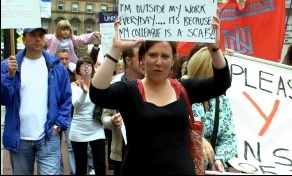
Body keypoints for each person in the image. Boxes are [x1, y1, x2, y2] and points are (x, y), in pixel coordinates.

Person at [89, 12, 231, 175]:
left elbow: (222, 83)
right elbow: (97, 94)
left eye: (165, 56)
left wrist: (214, 48)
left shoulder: (184, 88)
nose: (158, 62)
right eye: (152, 55)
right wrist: (115, 49)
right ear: (142, 58)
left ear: (173, 61)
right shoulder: (129, 90)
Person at [1, 27, 72, 175]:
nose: (38, 38)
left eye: (41, 35)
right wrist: (9, 76)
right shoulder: (9, 65)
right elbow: (3, 99)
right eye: (33, 35)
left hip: (48, 136)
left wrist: (58, 126)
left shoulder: (56, 67)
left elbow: (66, 100)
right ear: (24, 39)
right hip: (19, 138)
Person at [186, 47, 238, 172]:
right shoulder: (180, 95)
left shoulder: (223, 101)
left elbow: (229, 139)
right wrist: (198, 139)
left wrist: (219, 159)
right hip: (185, 167)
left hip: (212, 171)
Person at [101, 45, 144, 175]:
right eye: (140, 57)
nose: (145, 61)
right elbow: (105, 117)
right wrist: (112, 121)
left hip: (147, 151)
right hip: (122, 151)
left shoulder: (153, 83)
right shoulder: (115, 85)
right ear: (128, 61)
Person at [55, 49, 96, 175]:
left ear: (69, 59)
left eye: (66, 58)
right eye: (61, 59)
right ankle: (60, 172)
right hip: (55, 115)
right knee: (55, 148)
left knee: (72, 147)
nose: (64, 61)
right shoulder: (52, 74)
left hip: (71, 115)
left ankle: (76, 172)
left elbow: (88, 72)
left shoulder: (74, 74)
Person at [69, 56, 106, 175]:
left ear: (93, 69)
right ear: (78, 70)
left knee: (100, 165)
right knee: (81, 166)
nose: (86, 66)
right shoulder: (74, 86)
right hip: (79, 130)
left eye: (89, 64)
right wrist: (84, 92)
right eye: (83, 65)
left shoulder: (98, 85)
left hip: (96, 129)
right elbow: (76, 105)